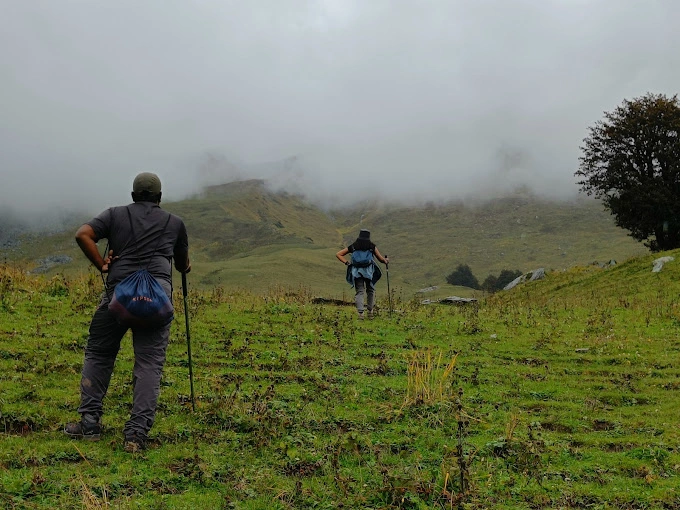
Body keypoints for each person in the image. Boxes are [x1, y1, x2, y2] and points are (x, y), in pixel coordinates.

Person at [64, 172, 190, 452]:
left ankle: (89, 423)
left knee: (99, 353)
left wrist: (102, 265)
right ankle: (135, 436)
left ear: (133, 196)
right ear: (159, 197)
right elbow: (182, 264)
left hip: (117, 297)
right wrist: (184, 266)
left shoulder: (114, 215)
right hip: (155, 300)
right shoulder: (174, 223)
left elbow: (82, 234)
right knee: (149, 364)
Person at [336, 229, 389, 319]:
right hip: (369, 272)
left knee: (360, 291)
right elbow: (381, 259)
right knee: (370, 290)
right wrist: (386, 260)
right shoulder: (372, 247)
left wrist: (347, 263)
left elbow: (339, 254)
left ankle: (361, 314)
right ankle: (370, 312)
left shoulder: (354, 246)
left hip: (356, 271)